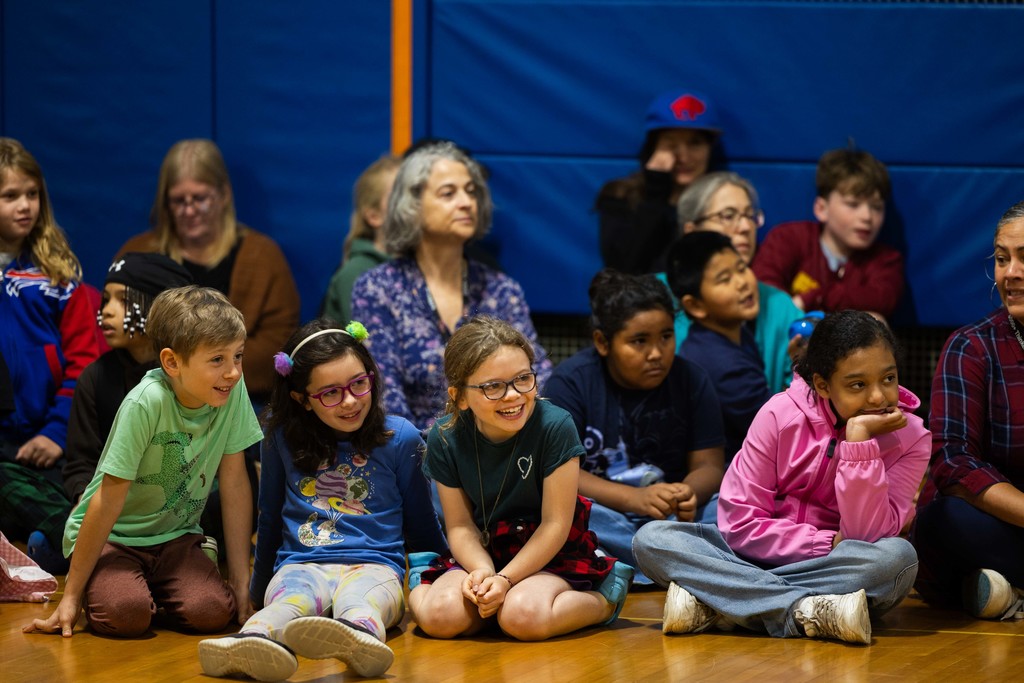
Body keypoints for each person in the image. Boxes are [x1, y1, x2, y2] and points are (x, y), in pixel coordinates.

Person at [633, 311, 929, 644]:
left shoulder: (912, 439)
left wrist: (859, 443)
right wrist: (822, 542)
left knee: (897, 560)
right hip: (750, 558)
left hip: (833, 565)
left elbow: (865, 537)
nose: (878, 396)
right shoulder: (779, 415)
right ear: (822, 384)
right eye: (858, 385)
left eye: (888, 378)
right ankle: (804, 610)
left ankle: (721, 603)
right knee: (652, 539)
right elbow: (739, 525)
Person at [198, 320, 446, 680]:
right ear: (302, 399)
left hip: (375, 568)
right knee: (288, 602)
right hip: (300, 565)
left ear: (372, 377)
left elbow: (422, 523)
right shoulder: (280, 437)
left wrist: (442, 578)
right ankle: (252, 640)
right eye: (330, 393)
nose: (350, 401)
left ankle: (359, 638)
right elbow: (269, 516)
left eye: (359, 384)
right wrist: (256, 588)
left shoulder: (400, 437)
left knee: (360, 601)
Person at [24, 286, 263, 638]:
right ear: (172, 363)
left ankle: (165, 586)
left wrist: (241, 584)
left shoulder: (231, 391)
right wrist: (70, 598)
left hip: (176, 537)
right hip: (116, 538)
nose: (233, 372)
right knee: (126, 615)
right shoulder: (144, 403)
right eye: (217, 360)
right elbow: (107, 498)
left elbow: (234, 481)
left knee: (212, 614)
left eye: (238, 356)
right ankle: (113, 584)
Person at [409, 317, 633, 640]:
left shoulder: (555, 426)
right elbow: (459, 526)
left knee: (522, 616)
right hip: (485, 550)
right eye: (493, 387)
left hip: (548, 550)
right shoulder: (444, 437)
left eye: (523, 379)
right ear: (459, 397)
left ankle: (604, 598)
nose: (513, 396)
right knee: (440, 617)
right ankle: (435, 583)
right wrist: (484, 574)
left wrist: (507, 580)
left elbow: (555, 525)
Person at [350, 141, 552, 433]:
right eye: (448, 193)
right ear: (412, 206)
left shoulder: (501, 289)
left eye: (471, 191)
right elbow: (383, 395)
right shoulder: (377, 289)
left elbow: (538, 375)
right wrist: (441, 458)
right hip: (417, 458)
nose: (467, 202)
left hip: (503, 447)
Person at [21, 253, 194, 574]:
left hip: (172, 511)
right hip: (109, 507)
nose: (106, 311)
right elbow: (81, 463)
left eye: (124, 300)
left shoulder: (189, 377)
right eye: (105, 300)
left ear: (160, 309)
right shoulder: (95, 378)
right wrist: (83, 503)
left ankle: (78, 549)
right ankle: (95, 544)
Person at [545, 269, 725, 575]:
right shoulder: (570, 383)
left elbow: (710, 465)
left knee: (734, 506)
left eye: (666, 337)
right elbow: (560, 473)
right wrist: (634, 499)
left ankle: (640, 561)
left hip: (673, 518)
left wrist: (686, 493)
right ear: (603, 342)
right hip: (608, 516)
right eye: (639, 341)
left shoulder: (692, 379)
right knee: (563, 514)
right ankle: (681, 560)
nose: (656, 353)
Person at [116, 138, 300, 398]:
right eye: (179, 201)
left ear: (224, 195)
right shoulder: (138, 255)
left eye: (200, 198)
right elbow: (121, 335)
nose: (189, 210)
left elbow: (278, 346)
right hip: (154, 399)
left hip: (241, 403)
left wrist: (201, 374)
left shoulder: (263, 257)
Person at [913, 200, 1024, 620]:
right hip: (992, 523)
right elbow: (953, 465)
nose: (1010, 273)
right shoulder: (972, 347)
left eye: (1023, 258)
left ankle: (1002, 590)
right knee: (947, 518)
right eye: (1001, 258)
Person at [0, 137, 102, 569]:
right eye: (10, 196)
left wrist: (56, 434)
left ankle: (74, 539)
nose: (25, 205)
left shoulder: (57, 276)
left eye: (32, 194)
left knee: (80, 490)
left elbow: (84, 365)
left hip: (51, 444)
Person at [673, 171, 804, 392]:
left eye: (750, 216)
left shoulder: (779, 305)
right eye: (728, 215)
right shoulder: (656, 298)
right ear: (691, 230)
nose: (745, 227)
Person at [752, 148, 903, 319]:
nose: (867, 217)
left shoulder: (886, 260)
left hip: (845, 343)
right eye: (853, 204)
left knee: (876, 320)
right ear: (821, 209)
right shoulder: (788, 238)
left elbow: (883, 299)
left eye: (876, 207)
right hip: (792, 340)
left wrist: (815, 297)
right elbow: (765, 290)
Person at [668, 232, 773, 464]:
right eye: (724, 279)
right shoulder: (719, 363)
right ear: (695, 305)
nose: (742, 282)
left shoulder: (732, 333)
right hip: (730, 480)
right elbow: (780, 428)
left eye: (742, 267)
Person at [596, 89, 723, 275]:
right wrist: (656, 191)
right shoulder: (620, 196)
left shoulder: (723, 202)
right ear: (652, 147)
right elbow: (622, 268)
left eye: (694, 143)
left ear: (709, 149)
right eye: (671, 144)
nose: (684, 156)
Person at [322, 155, 400, 324]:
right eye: (400, 194)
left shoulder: (416, 266)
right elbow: (368, 343)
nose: (413, 203)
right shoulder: (357, 273)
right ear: (374, 216)